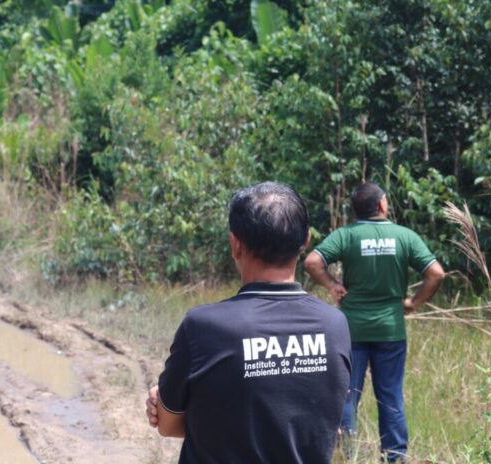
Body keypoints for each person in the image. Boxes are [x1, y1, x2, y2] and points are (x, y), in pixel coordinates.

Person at [145, 182, 351, 463]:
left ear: (235, 244)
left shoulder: (203, 326)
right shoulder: (335, 325)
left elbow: (169, 426)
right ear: (305, 240)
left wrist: (166, 402)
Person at [304, 182, 445, 462]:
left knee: (347, 395)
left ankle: (348, 454)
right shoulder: (405, 236)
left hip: (351, 330)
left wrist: (332, 285)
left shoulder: (346, 235)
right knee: (390, 397)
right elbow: (437, 274)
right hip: (390, 330)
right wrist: (414, 303)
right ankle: (394, 456)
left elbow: (311, 262)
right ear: (382, 206)